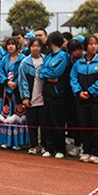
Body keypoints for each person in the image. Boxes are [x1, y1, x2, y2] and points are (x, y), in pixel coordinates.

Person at [70, 35, 98, 164]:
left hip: (96, 100)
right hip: (81, 100)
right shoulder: (78, 63)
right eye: (91, 44)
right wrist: (79, 91)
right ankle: (86, 151)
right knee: (84, 126)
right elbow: (73, 78)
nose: (94, 46)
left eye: (96, 44)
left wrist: (90, 92)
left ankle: (97, 152)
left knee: (96, 127)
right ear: (85, 46)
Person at [0, 36, 28, 150]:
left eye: (13, 44)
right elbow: (0, 71)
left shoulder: (23, 58)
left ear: (17, 45)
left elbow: (23, 73)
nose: (10, 46)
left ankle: (18, 142)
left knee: (18, 113)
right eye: (8, 44)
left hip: (18, 91)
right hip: (6, 91)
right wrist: (7, 82)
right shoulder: (4, 59)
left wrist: (16, 83)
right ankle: (5, 140)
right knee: (5, 113)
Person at [38, 31, 68, 159]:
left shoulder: (63, 56)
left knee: (58, 121)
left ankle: (60, 148)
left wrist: (48, 75)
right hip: (47, 93)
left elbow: (56, 73)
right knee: (48, 121)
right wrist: (47, 76)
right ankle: (49, 148)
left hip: (57, 94)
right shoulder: (49, 56)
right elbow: (41, 72)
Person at [18, 37, 45, 154]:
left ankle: (45, 145)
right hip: (31, 99)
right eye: (33, 46)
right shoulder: (25, 62)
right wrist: (25, 97)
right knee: (32, 124)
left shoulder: (46, 60)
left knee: (44, 124)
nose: (35, 48)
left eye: (38, 46)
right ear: (29, 47)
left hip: (44, 98)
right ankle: (33, 145)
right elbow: (22, 81)